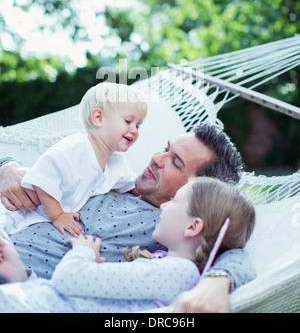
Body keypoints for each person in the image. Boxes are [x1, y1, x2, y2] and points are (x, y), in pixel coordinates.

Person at [0, 124, 256, 313]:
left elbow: (234, 252)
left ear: (200, 190)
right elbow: (47, 172)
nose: (157, 158)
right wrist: (7, 166)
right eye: (166, 149)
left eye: (175, 162)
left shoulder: (171, 229)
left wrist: (217, 282)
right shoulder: (111, 174)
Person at [1, 83, 147, 237]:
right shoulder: (75, 149)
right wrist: (58, 216)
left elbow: (134, 185)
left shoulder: (117, 164)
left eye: (138, 126)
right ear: (98, 118)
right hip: (13, 211)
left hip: (28, 224)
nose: (134, 130)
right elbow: (42, 180)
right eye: (128, 121)